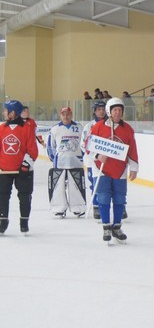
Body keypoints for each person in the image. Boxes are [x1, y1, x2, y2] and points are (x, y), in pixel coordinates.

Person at [87, 98, 138, 243]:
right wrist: (98, 155)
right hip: (100, 168)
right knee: (103, 198)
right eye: (115, 110)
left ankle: (117, 227)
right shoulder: (98, 127)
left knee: (120, 198)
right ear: (110, 111)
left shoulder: (127, 129)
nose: (118, 112)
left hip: (120, 169)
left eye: (120, 110)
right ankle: (106, 227)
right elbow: (88, 145)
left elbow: (132, 150)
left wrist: (133, 168)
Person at [0, 101, 39, 234]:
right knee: (2, 196)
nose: (3, 112)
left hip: (23, 170)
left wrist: (25, 165)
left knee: (24, 195)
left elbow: (33, 150)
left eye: (6, 110)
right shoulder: (2, 128)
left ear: (13, 113)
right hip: (4, 170)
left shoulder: (27, 128)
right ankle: (2, 221)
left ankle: (24, 221)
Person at [47, 107, 86, 218]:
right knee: (58, 186)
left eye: (68, 114)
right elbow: (51, 146)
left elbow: (84, 144)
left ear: (71, 114)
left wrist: (82, 157)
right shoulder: (55, 129)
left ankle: (78, 207)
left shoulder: (79, 128)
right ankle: (59, 208)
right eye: (63, 114)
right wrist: (54, 159)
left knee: (76, 186)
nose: (66, 116)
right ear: (60, 115)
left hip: (76, 162)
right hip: (60, 163)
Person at [80, 100, 109, 220]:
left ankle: (119, 206)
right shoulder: (89, 126)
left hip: (108, 161)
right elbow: (83, 144)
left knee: (109, 184)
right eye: (98, 110)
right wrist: (95, 155)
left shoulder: (110, 124)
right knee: (95, 184)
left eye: (103, 109)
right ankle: (96, 207)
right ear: (94, 111)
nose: (101, 112)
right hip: (93, 161)